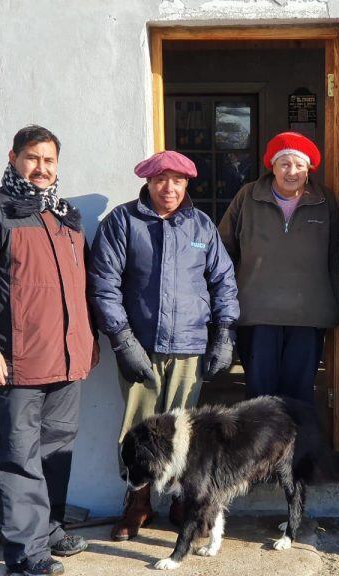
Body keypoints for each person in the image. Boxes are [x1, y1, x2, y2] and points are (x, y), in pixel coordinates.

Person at [0, 125, 97, 576]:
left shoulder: (64, 218)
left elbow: (81, 290)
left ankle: (49, 529)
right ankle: (25, 553)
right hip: (15, 364)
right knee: (18, 458)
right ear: (12, 157)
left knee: (55, 451)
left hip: (67, 361)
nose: (41, 168)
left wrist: (85, 348)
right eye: (33, 158)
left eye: (49, 160)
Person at [88, 150, 239, 542]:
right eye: (160, 180)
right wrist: (123, 341)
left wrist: (224, 333)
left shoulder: (201, 226)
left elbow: (223, 280)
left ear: (187, 184)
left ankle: (182, 501)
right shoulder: (122, 222)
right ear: (148, 182)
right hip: (140, 343)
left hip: (190, 346)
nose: (168, 188)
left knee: (184, 432)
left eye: (177, 180)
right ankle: (137, 504)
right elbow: (104, 285)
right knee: (137, 430)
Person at [218, 132, 339, 404]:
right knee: (259, 400)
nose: (292, 171)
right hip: (257, 314)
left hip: (308, 315)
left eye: (299, 165)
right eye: (284, 164)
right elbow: (223, 250)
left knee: (299, 398)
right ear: (272, 166)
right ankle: (262, 450)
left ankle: (297, 448)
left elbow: (336, 256)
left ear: (309, 169)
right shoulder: (248, 196)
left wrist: (337, 306)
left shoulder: (324, 200)